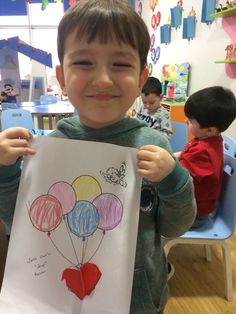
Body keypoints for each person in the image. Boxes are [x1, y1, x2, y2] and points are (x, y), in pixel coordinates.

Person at [0, 1, 196, 313]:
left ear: (141, 78)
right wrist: (5, 173)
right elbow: (21, 225)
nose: (103, 79)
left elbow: (175, 227)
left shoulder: (153, 146)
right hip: (62, 298)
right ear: (62, 78)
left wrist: (174, 179)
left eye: (120, 65)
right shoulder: (46, 150)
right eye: (84, 63)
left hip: (139, 300)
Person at [174, 86, 236, 228]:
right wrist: (174, 156)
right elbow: (187, 156)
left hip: (192, 214)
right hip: (198, 206)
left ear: (210, 130)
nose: (185, 121)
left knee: (148, 212)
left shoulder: (202, 153)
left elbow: (179, 180)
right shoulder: (211, 139)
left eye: (190, 120)